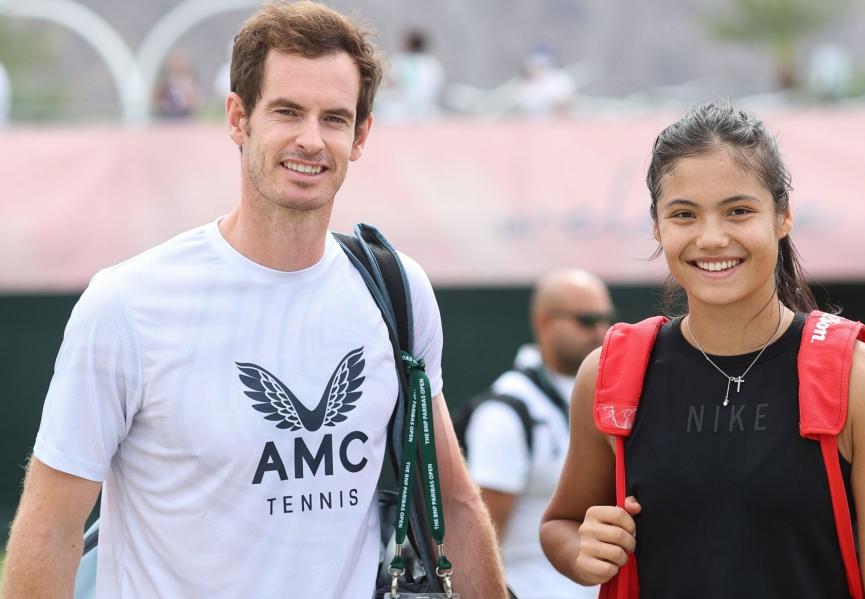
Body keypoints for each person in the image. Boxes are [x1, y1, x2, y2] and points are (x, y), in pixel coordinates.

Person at [1, 3, 506, 597]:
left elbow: (454, 502)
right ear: (238, 118)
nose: (311, 140)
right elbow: (51, 532)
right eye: (287, 112)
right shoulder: (127, 306)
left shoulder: (398, 291)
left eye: (335, 118)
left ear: (361, 134)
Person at [540, 101, 865, 597]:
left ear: (783, 214)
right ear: (657, 226)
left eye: (738, 211)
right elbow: (562, 523)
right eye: (684, 214)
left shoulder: (864, 381)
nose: (712, 237)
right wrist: (583, 551)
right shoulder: (612, 373)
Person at [464, 269, 614, 599]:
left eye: (606, 319)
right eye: (586, 320)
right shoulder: (506, 412)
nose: (600, 331)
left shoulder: (603, 392)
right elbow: (480, 538)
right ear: (546, 322)